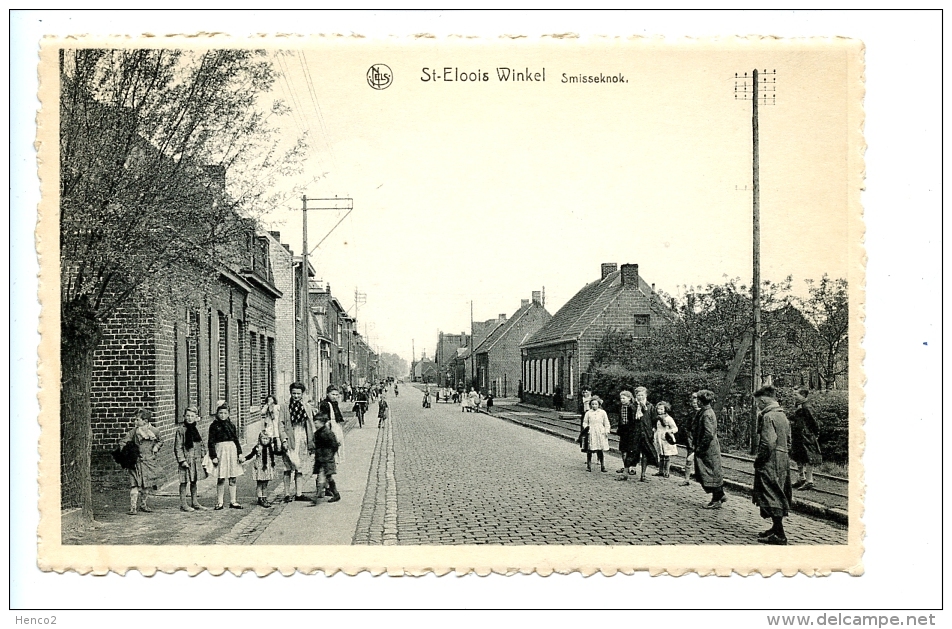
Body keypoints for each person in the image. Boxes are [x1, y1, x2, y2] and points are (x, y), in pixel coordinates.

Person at [752, 385, 794, 545]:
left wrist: (760, 460)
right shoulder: (782, 415)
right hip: (783, 457)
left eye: (758, 403)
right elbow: (789, 441)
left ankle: (780, 534)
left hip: (771, 458)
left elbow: (768, 442)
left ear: (763, 400)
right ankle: (775, 529)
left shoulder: (768, 417)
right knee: (779, 491)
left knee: (771, 492)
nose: (758, 406)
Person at [278, 382, 316, 503]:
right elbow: (281, 425)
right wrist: (283, 439)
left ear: (302, 394)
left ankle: (299, 493)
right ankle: (287, 493)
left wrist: (312, 440)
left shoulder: (307, 407)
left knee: (300, 467)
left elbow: (310, 424)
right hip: (290, 438)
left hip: (302, 438)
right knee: (288, 467)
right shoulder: (285, 407)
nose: (296, 396)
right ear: (290, 393)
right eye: (294, 393)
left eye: (298, 394)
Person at [121, 408, 163, 515]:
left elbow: (160, 441)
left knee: (146, 485)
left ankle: (143, 504)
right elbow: (123, 442)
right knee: (134, 485)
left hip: (148, 462)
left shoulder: (154, 431)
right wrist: (128, 452)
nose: (135, 422)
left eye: (137, 420)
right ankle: (133, 507)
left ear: (145, 421)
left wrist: (156, 447)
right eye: (135, 420)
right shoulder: (134, 432)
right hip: (136, 462)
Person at [693, 390, 726, 509]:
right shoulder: (705, 411)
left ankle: (716, 499)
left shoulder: (707, 414)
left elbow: (708, 433)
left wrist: (700, 448)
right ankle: (720, 495)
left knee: (710, 473)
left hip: (708, 448)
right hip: (708, 446)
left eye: (698, 400)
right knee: (711, 471)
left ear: (701, 401)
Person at [208, 401, 243, 510]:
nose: (223, 415)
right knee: (221, 477)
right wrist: (213, 456)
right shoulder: (213, 426)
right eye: (220, 413)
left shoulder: (231, 425)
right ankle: (220, 502)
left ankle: (233, 501)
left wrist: (240, 453)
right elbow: (211, 442)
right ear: (217, 413)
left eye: (225, 413)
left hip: (231, 450)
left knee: (232, 477)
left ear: (228, 414)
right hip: (221, 451)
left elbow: (236, 440)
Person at [174, 405, 207, 512]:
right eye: (187, 416)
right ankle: (183, 504)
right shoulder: (181, 430)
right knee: (184, 481)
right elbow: (178, 447)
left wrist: (203, 456)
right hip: (186, 460)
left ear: (196, 417)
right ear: (184, 416)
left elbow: (201, 444)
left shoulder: (197, 429)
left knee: (194, 481)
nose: (189, 418)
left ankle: (195, 502)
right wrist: (182, 460)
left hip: (196, 459)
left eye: (192, 416)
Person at [790, 388, 823, 491]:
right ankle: (801, 478)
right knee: (798, 456)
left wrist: (815, 434)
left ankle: (809, 481)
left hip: (806, 436)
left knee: (809, 457)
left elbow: (814, 422)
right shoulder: (799, 406)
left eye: (796, 395)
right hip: (798, 435)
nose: (794, 397)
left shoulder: (807, 407)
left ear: (803, 396)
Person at [311, 414, 342, 504]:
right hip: (321, 458)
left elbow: (334, 445)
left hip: (326, 458)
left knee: (325, 477)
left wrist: (330, 454)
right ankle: (333, 493)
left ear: (322, 423)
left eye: (316, 423)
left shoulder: (327, 433)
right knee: (326, 477)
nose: (315, 425)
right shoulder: (318, 433)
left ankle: (318, 497)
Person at [244, 430, 278, 508]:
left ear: (269, 439)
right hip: (260, 467)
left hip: (267, 467)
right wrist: (245, 459)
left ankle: (264, 497)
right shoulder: (258, 447)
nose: (265, 440)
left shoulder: (271, 447)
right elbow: (251, 455)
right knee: (260, 483)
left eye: (267, 439)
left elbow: (276, 452)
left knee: (265, 484)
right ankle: (260, 498)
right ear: (260, 439)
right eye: (263, 438)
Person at [582, 396, 611, 472]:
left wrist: (606, 431)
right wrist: (587, 428)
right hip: (591, 431)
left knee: (600, 449)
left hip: (600, 431)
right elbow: (585, 422)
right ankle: (589, 465)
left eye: (596, 404)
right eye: (592, 404)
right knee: (590, 449)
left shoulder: (602, 412)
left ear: (599, 405)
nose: (594, 406)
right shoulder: (588, 413)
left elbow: (606, 423)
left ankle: (602, 466)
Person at [653, 401, 679, 478]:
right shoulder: (657, 418)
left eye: (661, 409)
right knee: (661, 455)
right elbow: (657, 427)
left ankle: (666, 472)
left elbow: (675, 428)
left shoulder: (669, 418)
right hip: (659, 439)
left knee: (667, 456)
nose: (659, 411)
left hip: (666, 439)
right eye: (658, 409)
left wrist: (669, 432)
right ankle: (660, 471)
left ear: (665, 409)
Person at [680, 392, 701, 486]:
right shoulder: (691, 415)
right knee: (689, 460)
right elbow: (687, 429)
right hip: (692, 441)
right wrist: (690, 441)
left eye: (696, 401)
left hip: (702, 441)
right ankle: (687, 479)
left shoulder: (705, 413)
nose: (695, 403)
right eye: (693, 401)